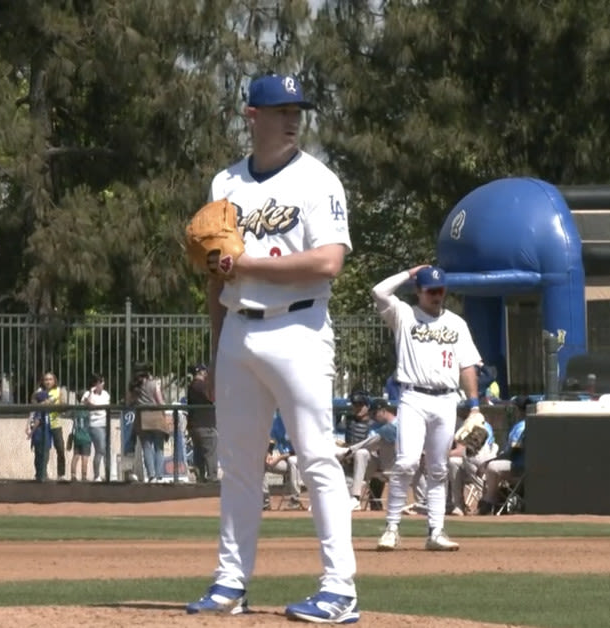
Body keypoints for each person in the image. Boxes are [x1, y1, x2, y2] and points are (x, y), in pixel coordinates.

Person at [185, 73, 359, 624]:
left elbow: (329, 261)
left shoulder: (318, 180)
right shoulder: (225, 184)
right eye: (280, 108)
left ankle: (339, 589)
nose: (292, 117)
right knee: (238, 466)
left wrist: (250, 265)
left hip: (299, 330)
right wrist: (215, 353)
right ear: (251, 115)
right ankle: (230, 582)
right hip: (238, 329)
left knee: (317, 459)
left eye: (297, 109)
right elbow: (215, 278)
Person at [370, 264, 483, 552]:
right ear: (418, 291)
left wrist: (474, 407)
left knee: (438, 467)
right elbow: (379, 291)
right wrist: (409, 273)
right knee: (407, 461)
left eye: (440, 289)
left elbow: (467, 365)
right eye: (431, 289)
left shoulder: (456, 323)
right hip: (413, 397)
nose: (437, 294)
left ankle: (436, 531)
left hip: (446, 399)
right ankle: (392, 528)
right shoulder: (404, 315)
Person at [480, 396, 531, 515]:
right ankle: (493, 500)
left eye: (515, 408)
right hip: (517, 464)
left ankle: (489, 501)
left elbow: (513, 452)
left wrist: (490, 461)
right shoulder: (521, 424)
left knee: (492, 466)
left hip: (519, 466)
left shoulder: (522, 426)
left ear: (520, 410)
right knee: (492, 465)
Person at [131, 365, 170, 483]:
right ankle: (158, 475)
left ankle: (151, 475)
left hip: (142, 418)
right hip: (156, 417)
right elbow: (160, 402)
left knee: (147, 448)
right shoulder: (154, 384)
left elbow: (129, 401)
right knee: (159, 448)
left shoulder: (134, 386)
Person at [186, 364, 219, 483]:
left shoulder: (192, 385)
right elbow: (212, 397)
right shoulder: (201, 385)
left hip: (195, 424)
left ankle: (200, 477)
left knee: (199, 453)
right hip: (205, 424)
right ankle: (211, 478)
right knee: (210, 452)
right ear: (202, 372)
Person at [264, 411, 303, 510]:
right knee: (261, 463)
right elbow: (272, 439)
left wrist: (278, 458)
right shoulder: (278, 420)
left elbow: (297, 451)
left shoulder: (297, 422)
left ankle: (295, 500)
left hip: (300, 460)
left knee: (292, 460)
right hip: (284, 460)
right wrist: (269, 454)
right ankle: (265, 502)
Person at [32, 372, 67, 481]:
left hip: (55, 423)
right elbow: (33, 405)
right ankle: (42, 474)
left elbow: (64, 406)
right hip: (43, 424)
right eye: (46, 379)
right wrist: (45, 403)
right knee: (43, 450)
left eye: (50, 379)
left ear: (54, 380)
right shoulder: (39, 392)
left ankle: (61, 475)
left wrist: (58, 402)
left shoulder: (59, 391)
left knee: (60, 448)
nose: (48, 381)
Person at [81, 373, 110, 482]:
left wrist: (94, 406)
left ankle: (108, 475)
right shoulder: (88, 394)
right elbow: (86, 405)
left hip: (105, 423)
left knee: (106, 450)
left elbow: (103, 408)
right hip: (95, 425)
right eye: (99, 382)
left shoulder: (105, 394)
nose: (102, 385)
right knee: (100, 449)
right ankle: (96, 475)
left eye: (102, 382)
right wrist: (91, 393)